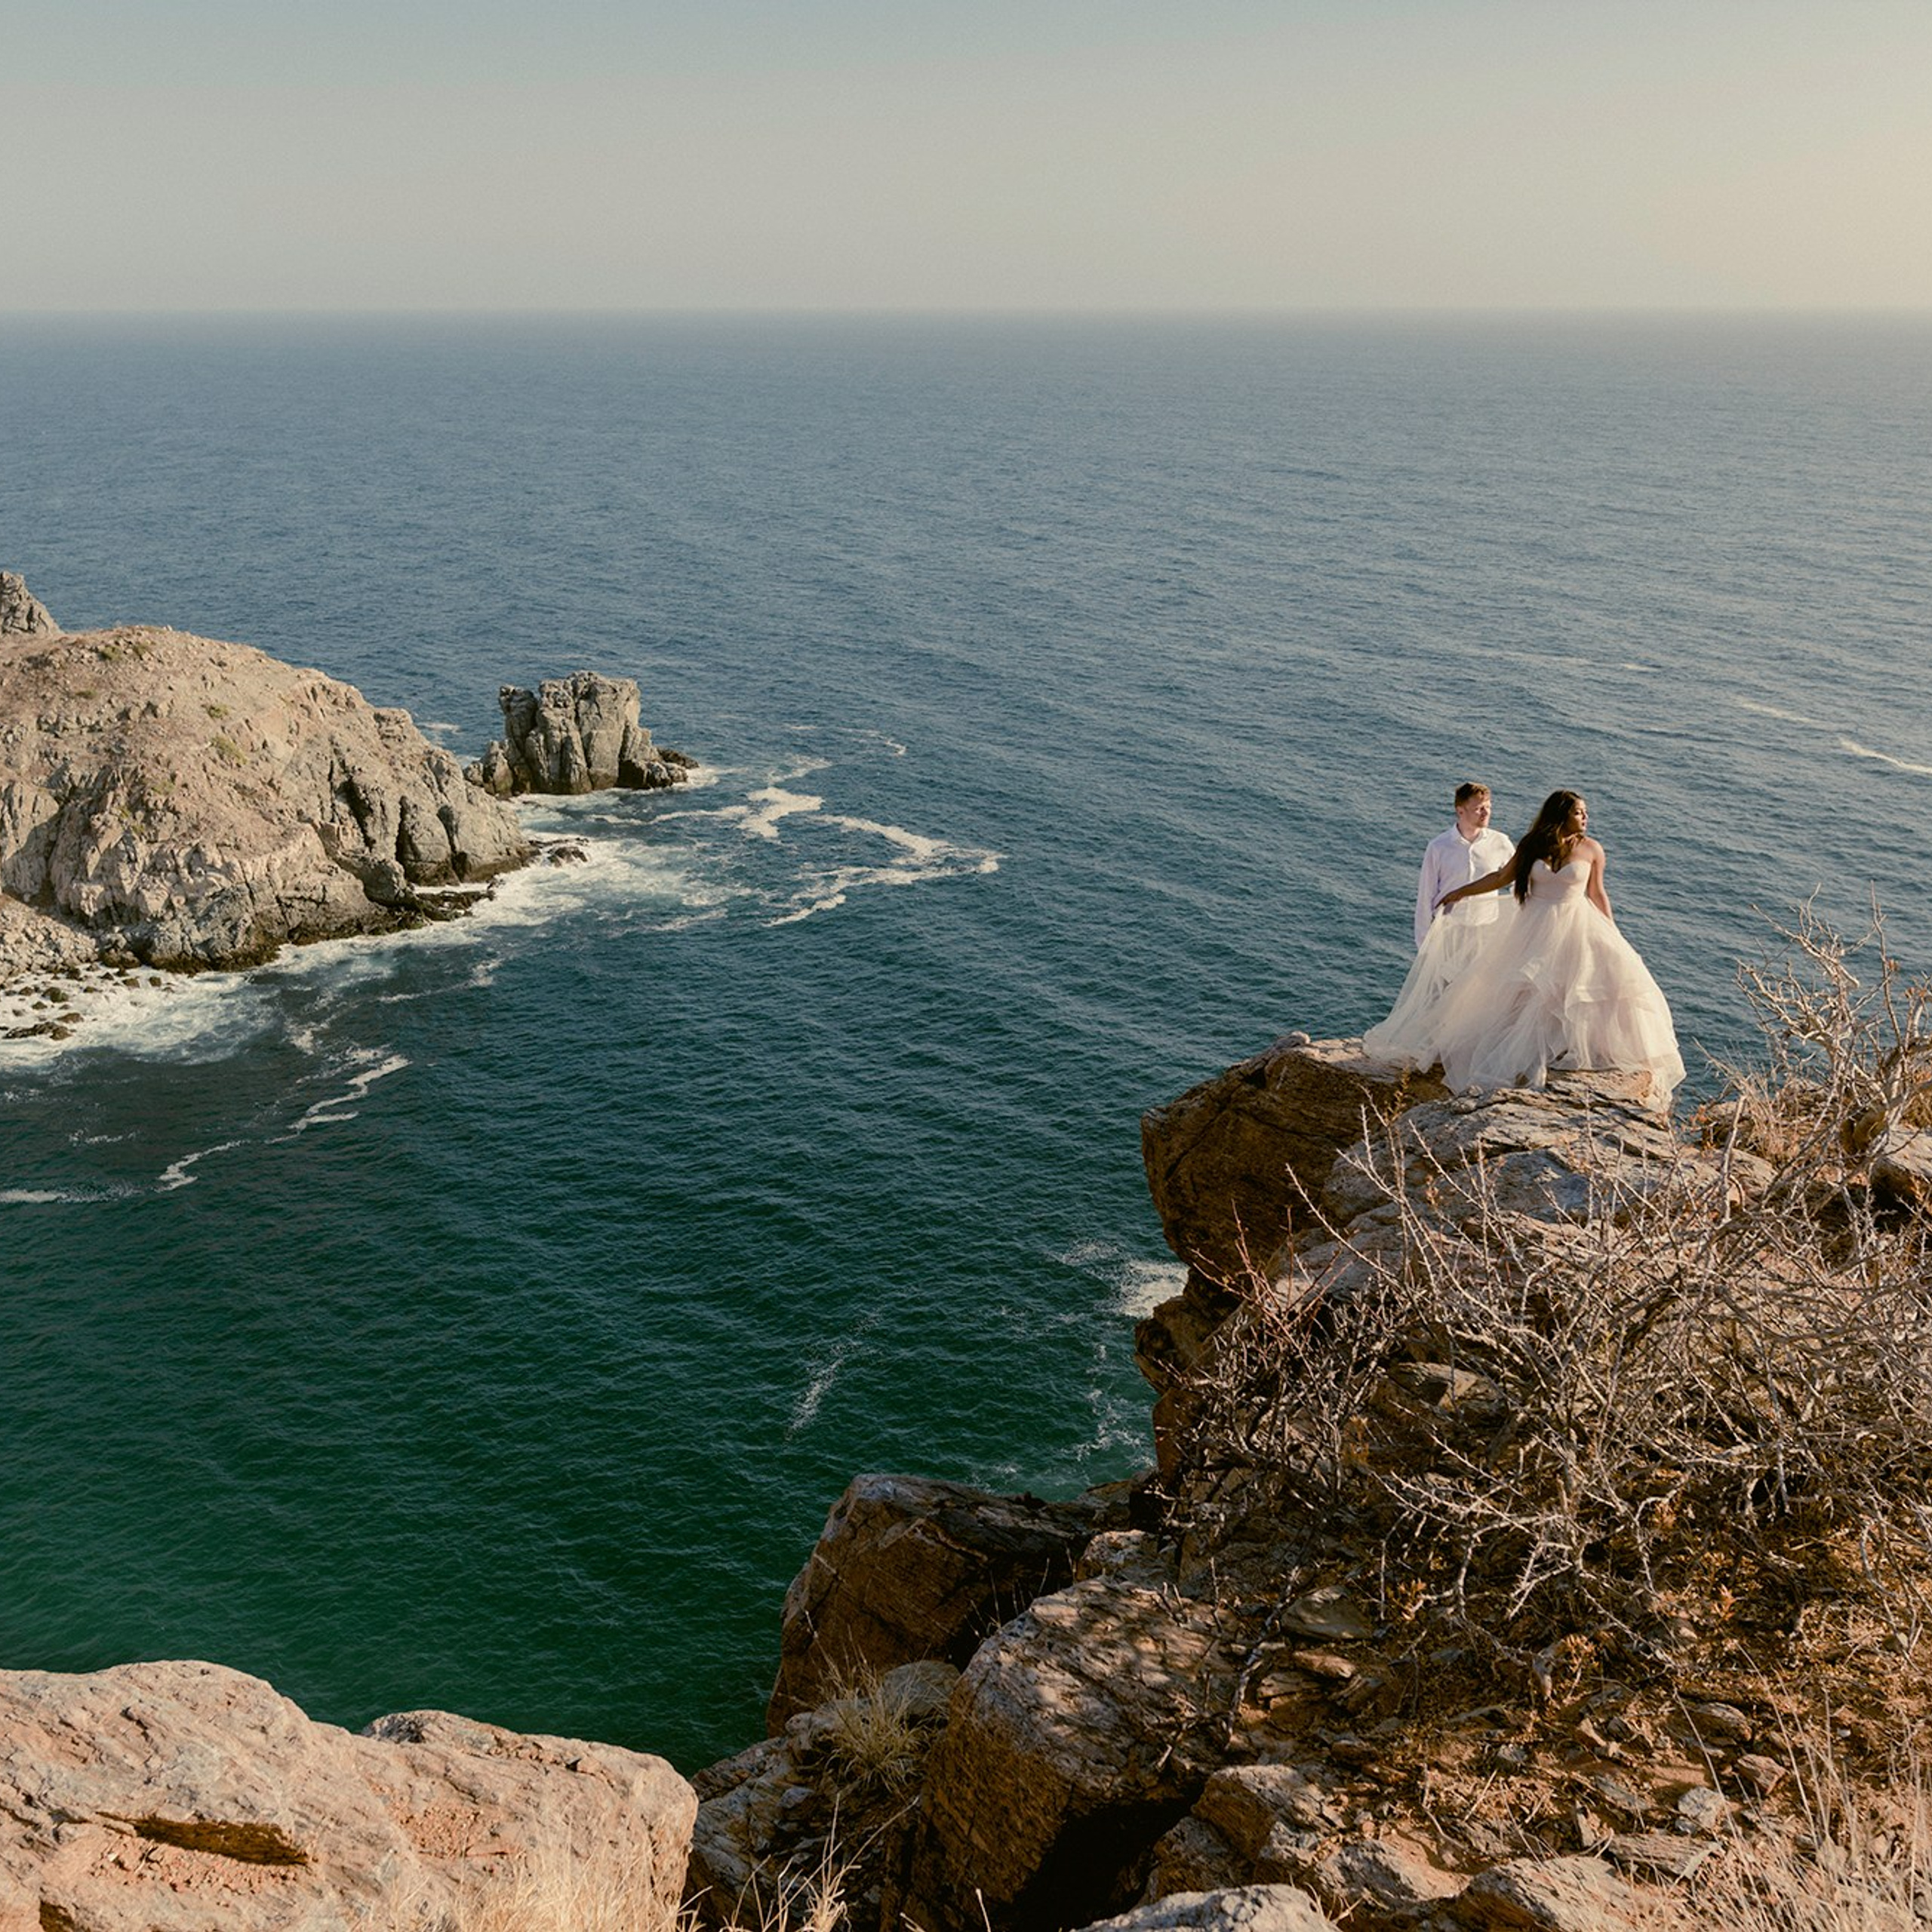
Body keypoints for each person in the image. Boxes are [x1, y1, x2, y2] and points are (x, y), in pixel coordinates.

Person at [1365, 789, 1684, 1108]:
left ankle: (1575, 1049)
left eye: (1585, 812)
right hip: (1533, 926)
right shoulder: (1533, 844)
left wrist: (1613, 934)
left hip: (1577, 926)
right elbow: (1502, 876)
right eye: (1579, 812)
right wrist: (1462, 892)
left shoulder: (1592, 850)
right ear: (1560, 816)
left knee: (1580, 988)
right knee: (1524, 991)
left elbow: (1598, 895)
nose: (1586, 818)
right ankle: (1522, 1053)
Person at [1415, 782, 1515, 950]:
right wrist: (1424, 945)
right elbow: (1426, 897)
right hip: (1447, 932)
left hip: (1485, 933)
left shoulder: (1501, 843)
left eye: (1488, 807)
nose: (1486, 813)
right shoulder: (1439, 847)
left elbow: (1518, 880)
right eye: (1479, 809)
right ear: (1460, 811)